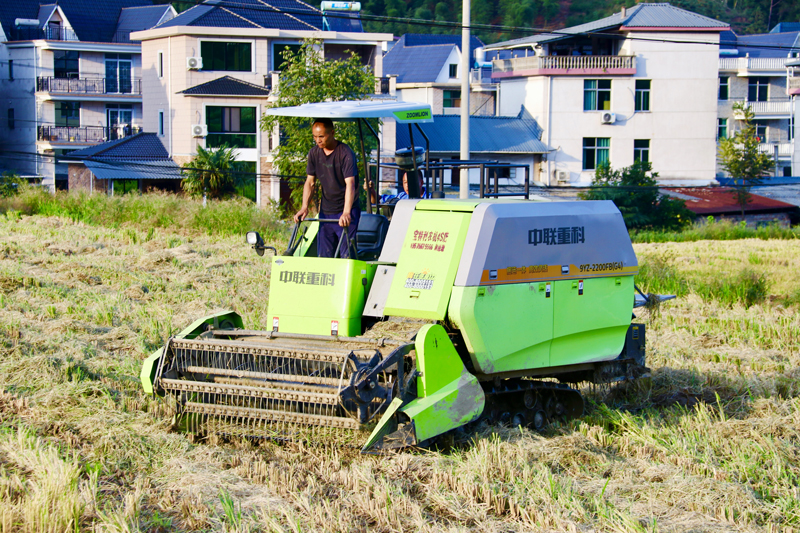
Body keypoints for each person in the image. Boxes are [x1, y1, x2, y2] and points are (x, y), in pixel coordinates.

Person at [294, 118, 360, 258]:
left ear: (332, 133)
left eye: (321, 136)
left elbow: (351, 184)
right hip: (326, 211)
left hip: (346, 211)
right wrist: (304, 207)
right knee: (324, 256)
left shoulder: (345, 153)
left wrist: (346, 212)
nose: (318, 140)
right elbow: (310, 182)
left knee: (346, 256)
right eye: (315, 137)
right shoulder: (314, 153)